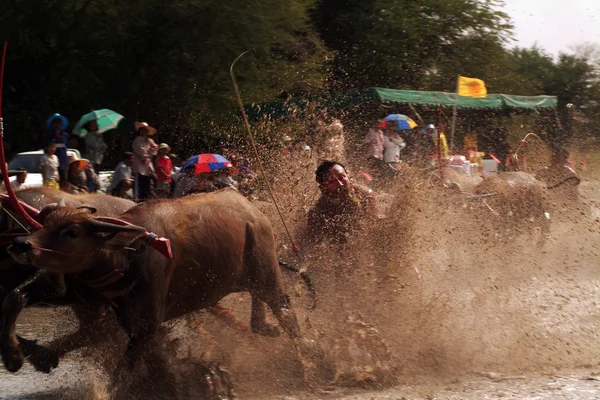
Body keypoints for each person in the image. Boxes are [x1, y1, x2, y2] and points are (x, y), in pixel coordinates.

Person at [305, 160, 379, 245]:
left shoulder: (365, 195)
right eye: (331, 181)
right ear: (323, 188)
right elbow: (312, 242)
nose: (340, 184)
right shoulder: (317, 212)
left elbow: (373, 226)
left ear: (348, 176)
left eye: (341, 177)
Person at [132, 121, 158, 201]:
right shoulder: (138, 140)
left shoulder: (150, 141)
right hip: (140, 167)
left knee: (147, 187)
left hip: (148, 168)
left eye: (146, 130)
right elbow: (141, 151)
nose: (145, 131)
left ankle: (145, 201)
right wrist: (149, 152)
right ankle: (138, 201)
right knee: (139, 187)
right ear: (141, 130)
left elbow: (154, 151)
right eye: (143, 129)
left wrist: (149, 152)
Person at [45, 113, 70, 182]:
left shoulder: (65, 136)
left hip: (63, 164)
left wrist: (67, 163)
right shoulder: (49, 137)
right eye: (56, 123)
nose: (58, 125)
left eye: (59, 123)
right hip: (53, 164)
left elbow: (66, 149)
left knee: (64, 182)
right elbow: (47, 151)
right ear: (53, 124)